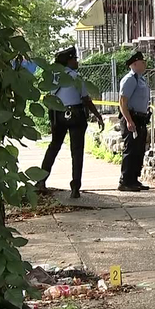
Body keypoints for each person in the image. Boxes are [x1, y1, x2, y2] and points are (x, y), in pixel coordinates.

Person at [37, 46, 105, 199]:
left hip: (57, 114)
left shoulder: (52, 76)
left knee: (53, 147)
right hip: (75, 114)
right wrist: (97, 115)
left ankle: (41, 180)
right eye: (75, 59)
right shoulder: (76, 77)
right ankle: (75, 187)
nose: (77, 62)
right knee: (77, 151)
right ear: (69, 61)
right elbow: (86, 99)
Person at [118, 51, 151, 192]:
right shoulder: (130, 79)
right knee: (131, 149)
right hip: (132, 118)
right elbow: (122, 101)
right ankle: (125, 180)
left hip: (141, 118)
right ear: (135, 64)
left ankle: (134, 179)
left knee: (138, 150)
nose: (144, 64)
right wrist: (129, 120)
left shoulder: (140, 79)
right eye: (142, 62)